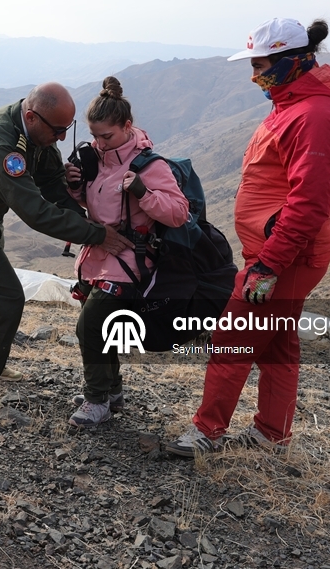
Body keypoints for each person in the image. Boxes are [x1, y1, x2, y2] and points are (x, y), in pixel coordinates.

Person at [165, 18, 330, 456]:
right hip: (279, 250)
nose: (255, 74)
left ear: (293, 59)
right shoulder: (293, 101)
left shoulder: (315, 115)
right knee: (278, 343)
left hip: (286, 255)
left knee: (232, 339)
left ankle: (206, 433)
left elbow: (308, 201)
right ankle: (272, 433)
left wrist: (268, 265)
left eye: (261, 63)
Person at [0, 82, 133, 411]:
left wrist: (87, 220)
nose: (60, 138)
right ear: (32, 116)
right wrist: (96, 234)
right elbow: (36, 213)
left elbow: (53, 185)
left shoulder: (34, 132)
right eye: (57, 131)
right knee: (6, 296)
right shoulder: (1, 144)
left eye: (65, 131)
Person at [64, 77, 190, 427]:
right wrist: (75, 186)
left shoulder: (149, 166)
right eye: (94, 135)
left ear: (127, 127)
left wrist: (142, 192)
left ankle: (97, 401)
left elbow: (178, 212)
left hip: (130, 262)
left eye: (107, 136)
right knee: (101, 327)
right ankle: (111, 390)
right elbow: (95, 205)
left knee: (90, 327)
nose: (99, 143)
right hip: (97, 258)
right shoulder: (96, 160)